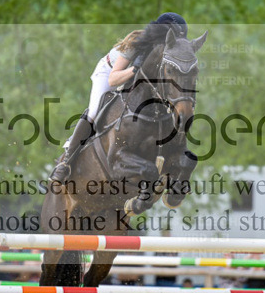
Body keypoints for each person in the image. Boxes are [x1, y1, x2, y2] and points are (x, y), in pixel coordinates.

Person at [49, 12, 189, 182]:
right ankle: (66, 162)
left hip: (133, 79)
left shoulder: (166, 52)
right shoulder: (136, 43)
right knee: (93, 112)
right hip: (109, 73)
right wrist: (134, 69)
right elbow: (113, 79)